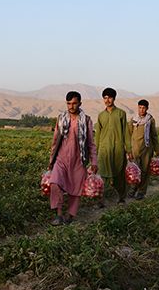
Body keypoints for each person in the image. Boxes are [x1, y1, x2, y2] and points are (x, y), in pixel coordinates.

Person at [48, 91, 98, 226]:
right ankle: (58, 215)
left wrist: (94, 161)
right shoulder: (61, 118)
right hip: (61, 158)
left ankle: (70, 215)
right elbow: (55, 141)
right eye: (69, 103)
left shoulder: (86, 120)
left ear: (80, 104)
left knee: (75, 189)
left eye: (74, 103)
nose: (71, 106)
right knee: (55, 183)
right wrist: (51, 160)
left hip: (79, 160)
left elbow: (91, 143)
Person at [95, 87, 132, 205]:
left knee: (119, 174)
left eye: (109, 97)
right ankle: (101, 199)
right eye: (105, 98)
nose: (107, 100)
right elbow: (98, 134)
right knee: (103, 174)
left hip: (118, 149)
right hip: (104, 149)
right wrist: (95, 151)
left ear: (114, 98)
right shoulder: (101, 115)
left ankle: (121, 197)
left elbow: (126, 132)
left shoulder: (121, 113)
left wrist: (129, 149)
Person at [129, 99, 159, 200]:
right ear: (137, 107)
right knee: (134, 171)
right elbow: (128, 134)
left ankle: (142, 191)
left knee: (145, 171)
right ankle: (133, 189)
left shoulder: (150, 120)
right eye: (140, 107)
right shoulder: (133, 120)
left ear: (147, 109)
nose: (141, 110)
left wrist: (157, 149)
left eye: (143, 108)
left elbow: (154, 135)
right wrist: (128, 149)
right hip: (135, 149)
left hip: (147, 149)